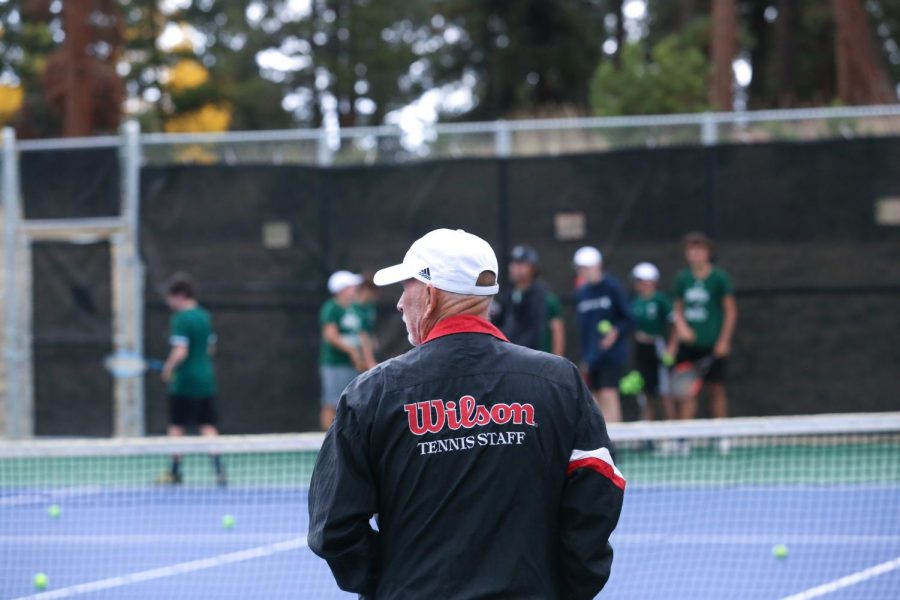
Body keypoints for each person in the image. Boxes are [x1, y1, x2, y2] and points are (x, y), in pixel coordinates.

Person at [308, 229, 624, 599]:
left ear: (430, 295)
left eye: (405, 287)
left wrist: (390, 584)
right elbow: (598, 489)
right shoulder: (559, 381)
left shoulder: (373, 394)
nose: (398, 304)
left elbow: (334, 526)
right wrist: (566, 585)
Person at [160, 275, 225, 486]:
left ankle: (174, 472)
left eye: (171, 298)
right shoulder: (205, 316)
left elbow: (180, 351)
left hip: (185, 382)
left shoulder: (180, 318)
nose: (170, 303)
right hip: (206, 379)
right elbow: (211, 348)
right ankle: (219, 471)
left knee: (177, 427)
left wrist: (168, 368)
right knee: (207, 426)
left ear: (179, 296)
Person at [667, 232, 738, 422]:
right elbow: (677, 310)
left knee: (716, 390)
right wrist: (681, 330)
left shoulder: (719, 278)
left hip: (713, 345)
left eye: (700, 250)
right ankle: (684, 439)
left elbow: (730, 311)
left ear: (708, 253)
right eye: (691, 250)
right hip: (689, 347)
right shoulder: (682, 279)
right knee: (687, 392)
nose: (695, 254)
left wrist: (724, 341)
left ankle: (722, 435)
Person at [573, 246, 634, 423]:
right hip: (591, 356)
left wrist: (615, 333)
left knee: (609, 393)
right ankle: (604, 439)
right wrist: (585, 357)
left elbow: (629, 319)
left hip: (611, 355)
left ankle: (615, 438)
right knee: (596, 396)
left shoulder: (612, 287)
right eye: (581, 268)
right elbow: (584, 329)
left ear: (598, 265)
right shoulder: (582, 293)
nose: (583, 271)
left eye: (587, 267)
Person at [319, 270, 377, 431]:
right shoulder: (331, 308)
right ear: (342, 289)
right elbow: (330, 335)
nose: (355, 289)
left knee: (356, 401)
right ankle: (326, 439)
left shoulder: (357, 308)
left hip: (357, 366)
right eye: (351, 286)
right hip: (335, 364)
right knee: (331, 403)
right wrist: (351, 351)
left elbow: (363, 336)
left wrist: (370, 361)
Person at [493, 244, 565, 355]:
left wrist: (557, 362)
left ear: (532, 268)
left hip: (539, 361)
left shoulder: (545, 297)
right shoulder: (509, 295)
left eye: (520, 264)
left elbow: (557, 331)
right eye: (513, 263)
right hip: (513, 359)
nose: (514, 268)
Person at [630, 262, 674, 421]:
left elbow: (673, 324)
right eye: (639, 281)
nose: (643, 285)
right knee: (645, 392)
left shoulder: (661, 300)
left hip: (658, 347)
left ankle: (675, 436)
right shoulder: (635, 302)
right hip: (641, 350)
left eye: (646, 281)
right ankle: (647, 435)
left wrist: (671, 348)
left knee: (664, 392)